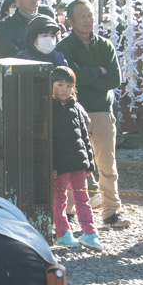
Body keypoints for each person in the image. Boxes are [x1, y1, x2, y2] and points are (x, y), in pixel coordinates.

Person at [57, 0, 128, 231]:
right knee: (72, 164)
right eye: (82, 16)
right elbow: (70, 79)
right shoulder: (64, 47)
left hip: (102, 111)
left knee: (107, 165)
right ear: (70, 21)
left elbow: (115, 79)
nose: (88, 20)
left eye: (90, 15)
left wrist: (84, 76)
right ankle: (67, 214)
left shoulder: (105, 45)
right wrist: (98, 71)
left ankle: (111, 212)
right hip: (74, 112)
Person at [50, 67, 101, 251]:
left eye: (69, 85)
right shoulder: (47, 109)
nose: (64, 89)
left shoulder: (77, 108)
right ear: (51, 86)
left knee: (83, 199)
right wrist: (52, 164)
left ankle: (90, 232)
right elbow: (46, 140)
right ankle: (63, 233)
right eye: (60, 84)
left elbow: (85, 137)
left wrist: (89, 161)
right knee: (59, 201)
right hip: (59, 165)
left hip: (78, 164)